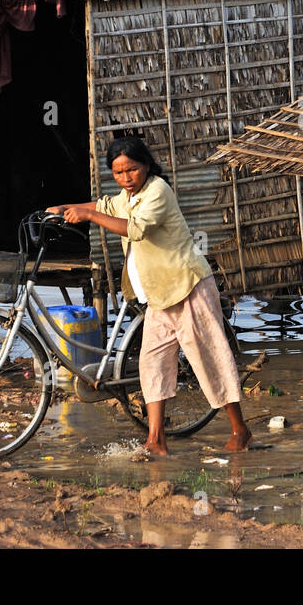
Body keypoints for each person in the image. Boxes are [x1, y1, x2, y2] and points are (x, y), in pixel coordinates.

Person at [48, 136, 250, 455]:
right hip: (158, 296)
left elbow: (135, 229)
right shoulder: (130, 196)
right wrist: (67, 208)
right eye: (118, 173)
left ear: (146, 165)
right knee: (152, 363)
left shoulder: (158, 191)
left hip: (186, 288)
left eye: (132, 170)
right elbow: (103, 206)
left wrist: (87, 217)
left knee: (208, 360)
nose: (126, 178)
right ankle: (156, 440)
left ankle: (241, 431)